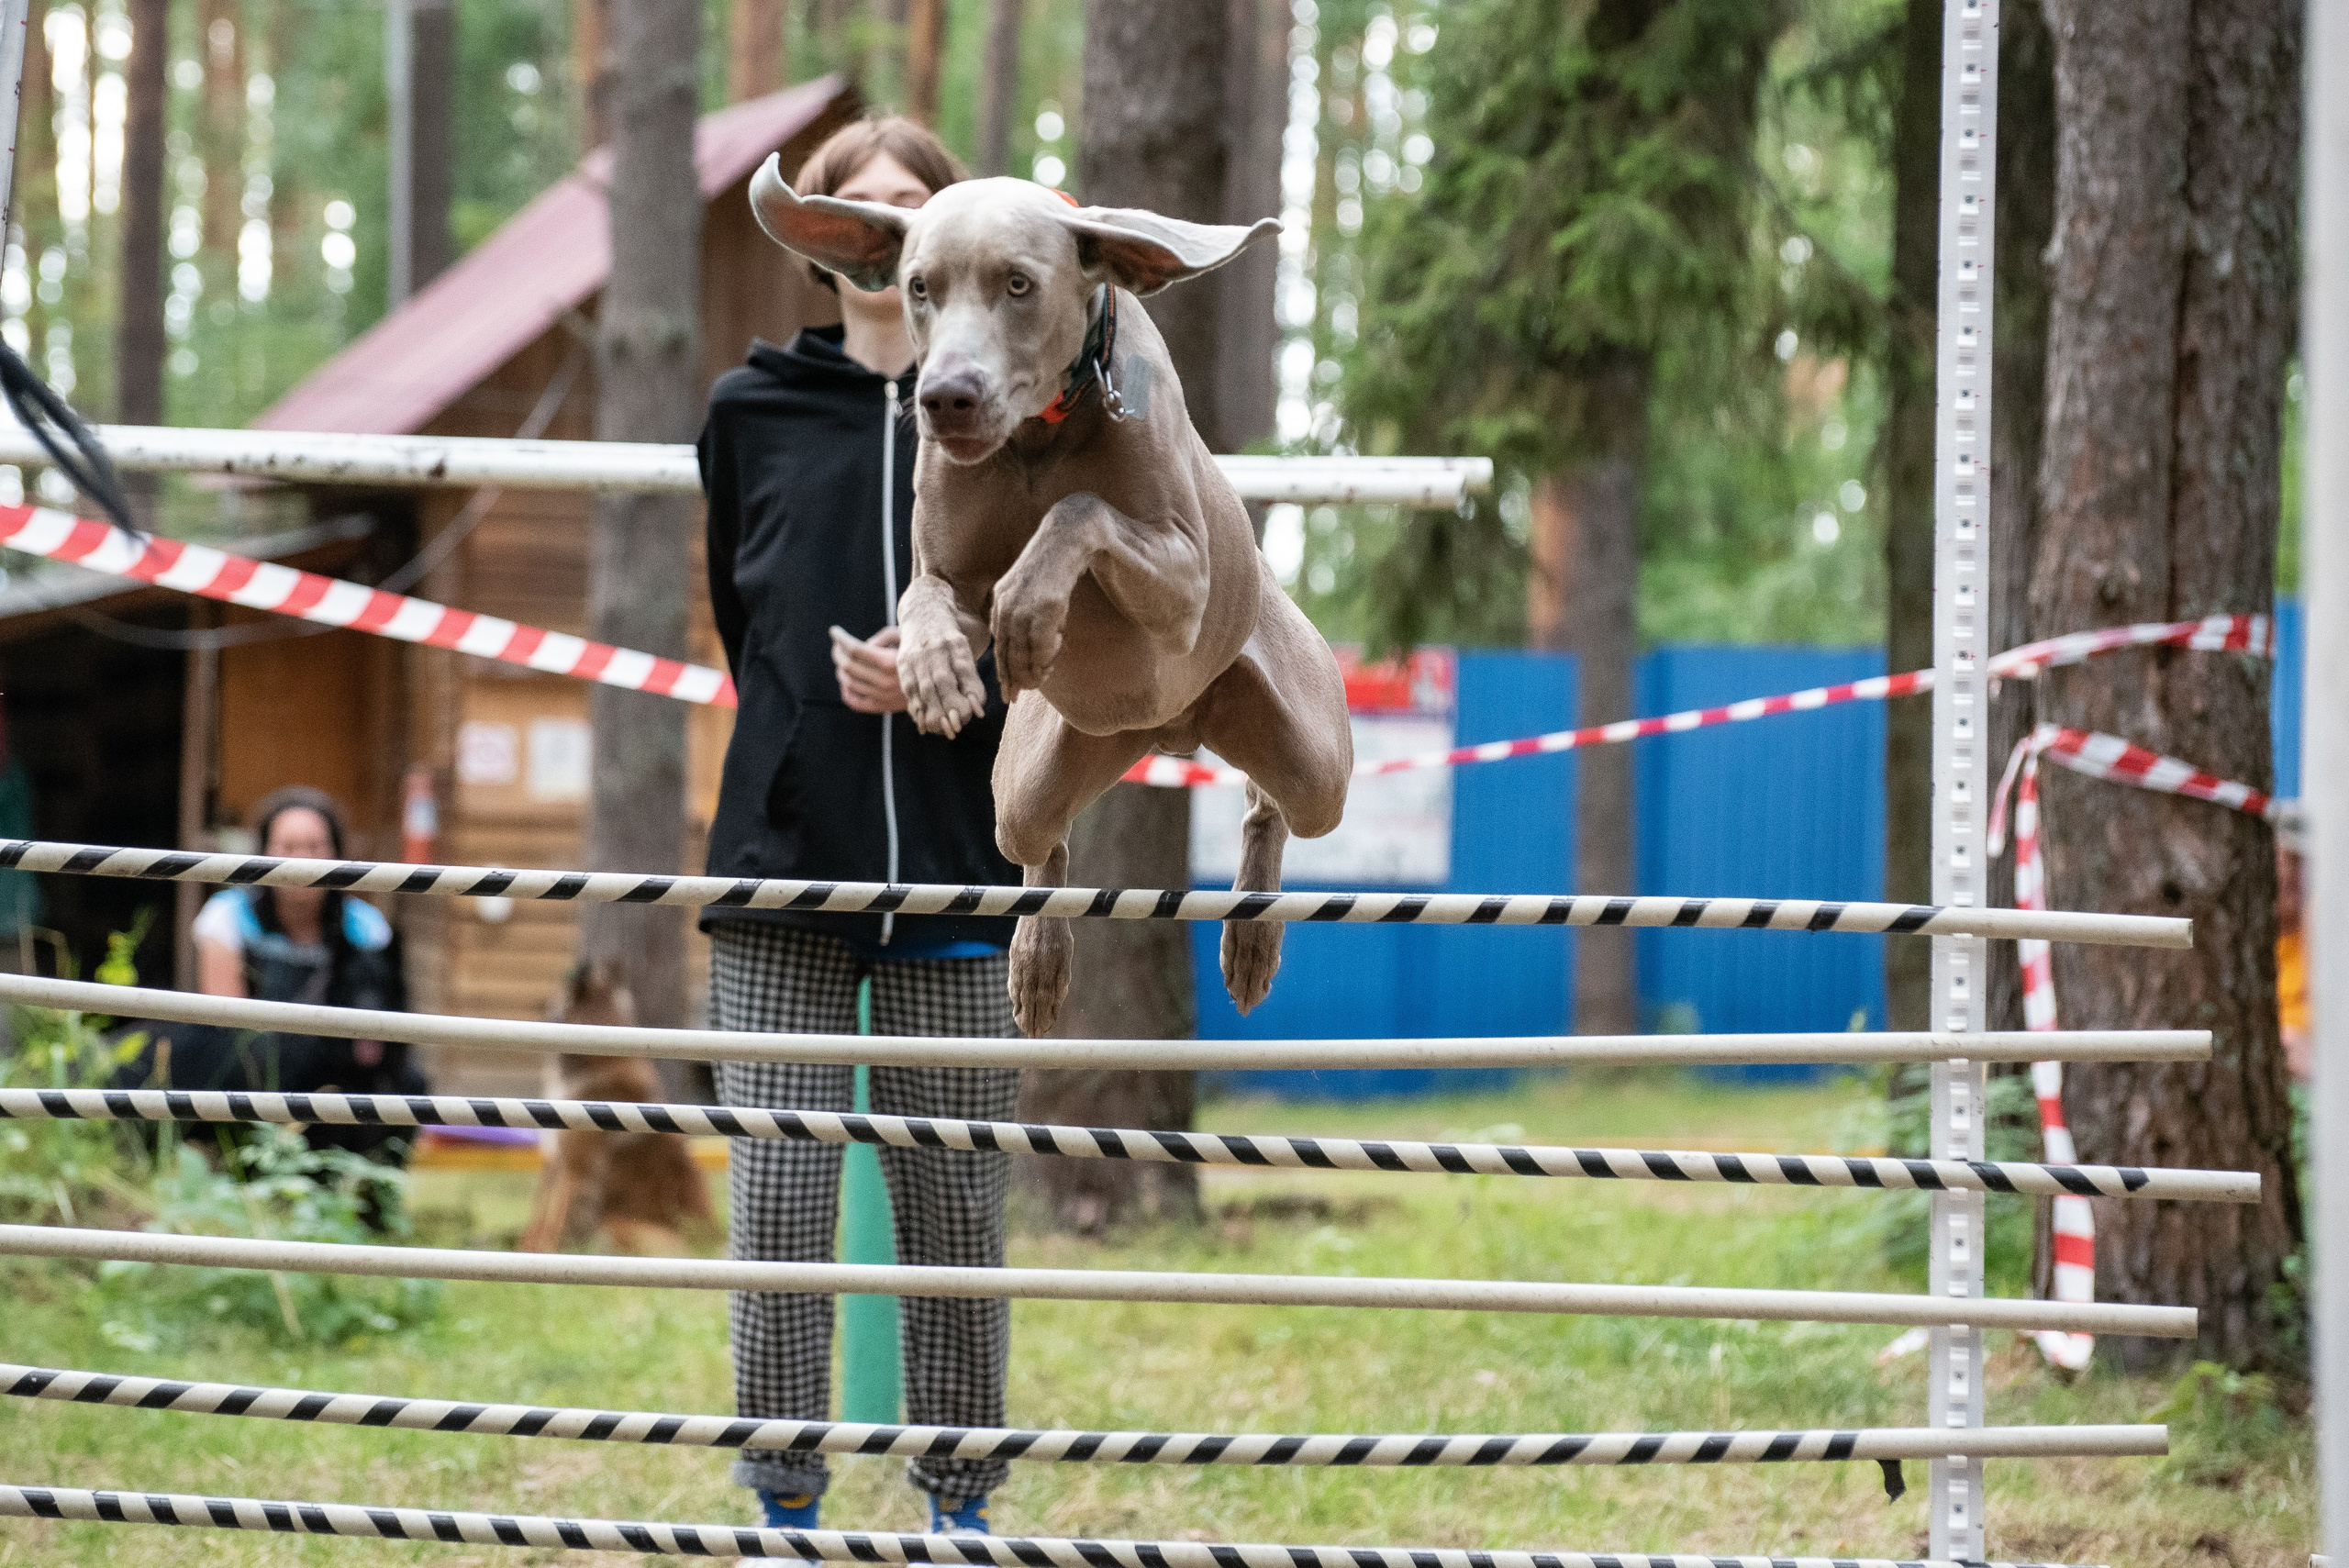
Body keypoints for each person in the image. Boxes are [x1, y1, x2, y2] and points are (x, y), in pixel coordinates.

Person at [697, 116, 1021, 1544]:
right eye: (864, 213)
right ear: (817, 239)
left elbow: (1074, 642)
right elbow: (740, 619)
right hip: (781, 866)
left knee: (958, 1222)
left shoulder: (1020, 415)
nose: (889, 236)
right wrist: (807, 739)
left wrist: (968, 673)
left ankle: (958, 1504)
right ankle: (783, 1494)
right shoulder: (749, 411)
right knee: (777, 1212)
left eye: (917, 211)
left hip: (966, 861)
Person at [161, 784, 425, 1164]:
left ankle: (373, 1191)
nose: (303, 861)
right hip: (254, 1062)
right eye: (288, 847)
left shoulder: (365, 927)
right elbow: (227, 1025)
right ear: (264, 853)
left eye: (316, 847)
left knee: (409, 1083)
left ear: (336, 854)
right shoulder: (227, 917)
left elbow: (381, 1023)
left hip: (340, 1063)